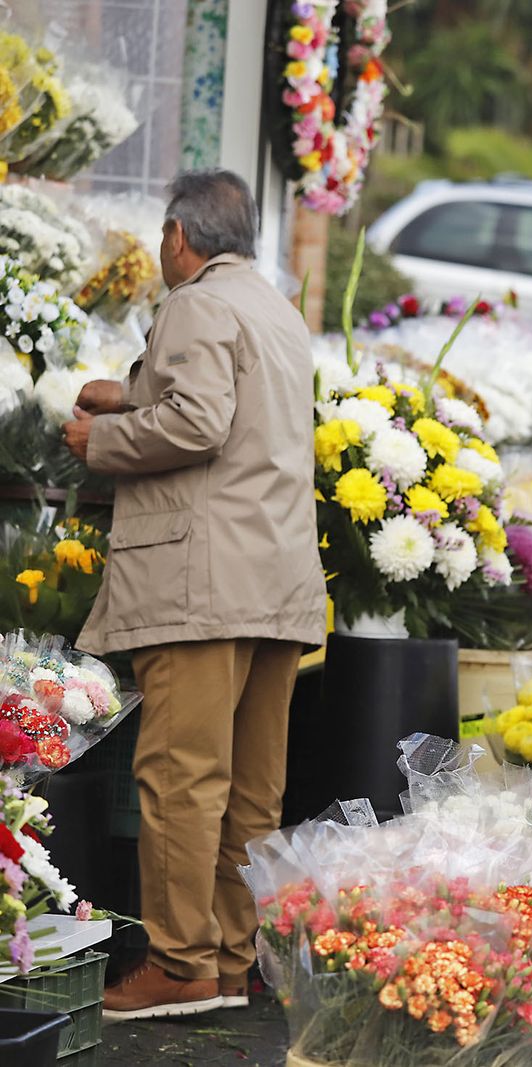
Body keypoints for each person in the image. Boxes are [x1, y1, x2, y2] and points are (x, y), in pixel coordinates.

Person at [64, 170, 326, 1021]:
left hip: (202, 581)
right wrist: (131, 391)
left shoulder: (194, 302)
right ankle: (221, 955)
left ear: (179, 237)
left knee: (180, 776)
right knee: (250, 787)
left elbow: (198, 422)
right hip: (275, 579)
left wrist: (100, 436)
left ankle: (177, 964)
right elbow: (228, 410)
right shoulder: (276, 307)